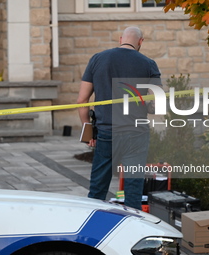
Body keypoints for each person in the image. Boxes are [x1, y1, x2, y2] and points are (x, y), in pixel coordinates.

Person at [77, 26, 162, 210]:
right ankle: (132, 231)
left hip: (106, 132)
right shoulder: (149, 64)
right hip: (136, 133)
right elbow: (156, 104)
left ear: (120, 39)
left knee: (97, 189)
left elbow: (82, 99)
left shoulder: (97, 59)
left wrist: (88, 130)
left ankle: (92, 229)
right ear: (141, 41)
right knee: (133, 190)